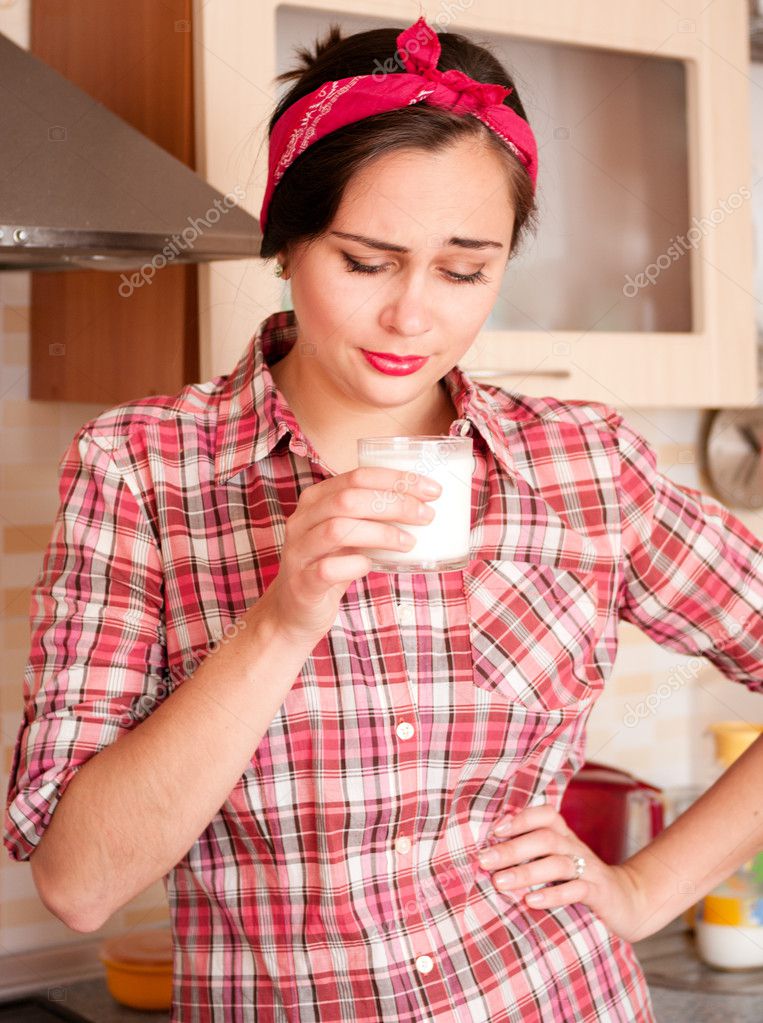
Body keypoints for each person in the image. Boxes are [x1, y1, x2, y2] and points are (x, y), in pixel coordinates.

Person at [4, 12, 763, 1023]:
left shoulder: (579, 462)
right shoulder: (144, 470)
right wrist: (280, 619)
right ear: (286, 240)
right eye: (366, 261)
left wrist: (644, 889)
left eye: (463, 271)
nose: (414, 317)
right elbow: (82, 882)